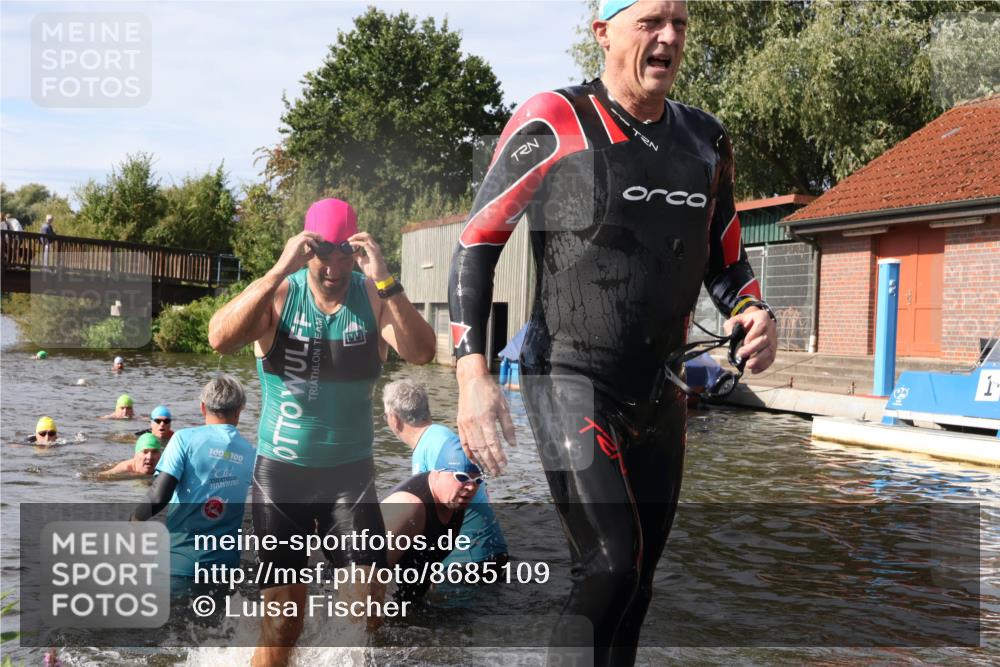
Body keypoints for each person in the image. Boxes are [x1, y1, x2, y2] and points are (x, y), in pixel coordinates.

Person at [446, 2, 778, 665]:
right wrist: (472, 372)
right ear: (603, 33)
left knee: (638, 583)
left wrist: (752, 310)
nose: (669, 38)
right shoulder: (555, 118)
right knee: (609, 562)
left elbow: (728, 259)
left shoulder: (706, 141)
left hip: (662, 393)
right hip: (567, 377)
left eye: (680, 23)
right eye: (651, 21)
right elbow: (476, 243)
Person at [207, 197, 436, 667]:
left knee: (369, 607)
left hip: (349, 477)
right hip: (282, 477)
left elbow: (421, 353)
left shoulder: (372, 295)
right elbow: (219, 338)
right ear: (306, 248)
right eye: (323, 253)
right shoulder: (280, 294)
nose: (334, 266)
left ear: (357, 251)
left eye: (344, 254)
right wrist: (277, 269)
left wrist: (387, 280)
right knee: (284, 622)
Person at [130, 375, 255, 594]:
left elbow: (159, 495)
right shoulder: (251, 452)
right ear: (240, 410)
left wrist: (134, 520)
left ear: (202, 407)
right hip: (225, 568)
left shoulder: (184, 439)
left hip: (179, 564)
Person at [382, 379, 507, 568]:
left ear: (393, 418)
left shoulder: (435, 445)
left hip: (468, 561)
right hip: (487, 552)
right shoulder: (439, 439)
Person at [380, 441, 484, 603]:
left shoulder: (455, 499)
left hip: (407, 602)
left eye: (478, 480)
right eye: (462, 477)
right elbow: (362, 573)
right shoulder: (408, 507)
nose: (471, 487)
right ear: (436, 473)